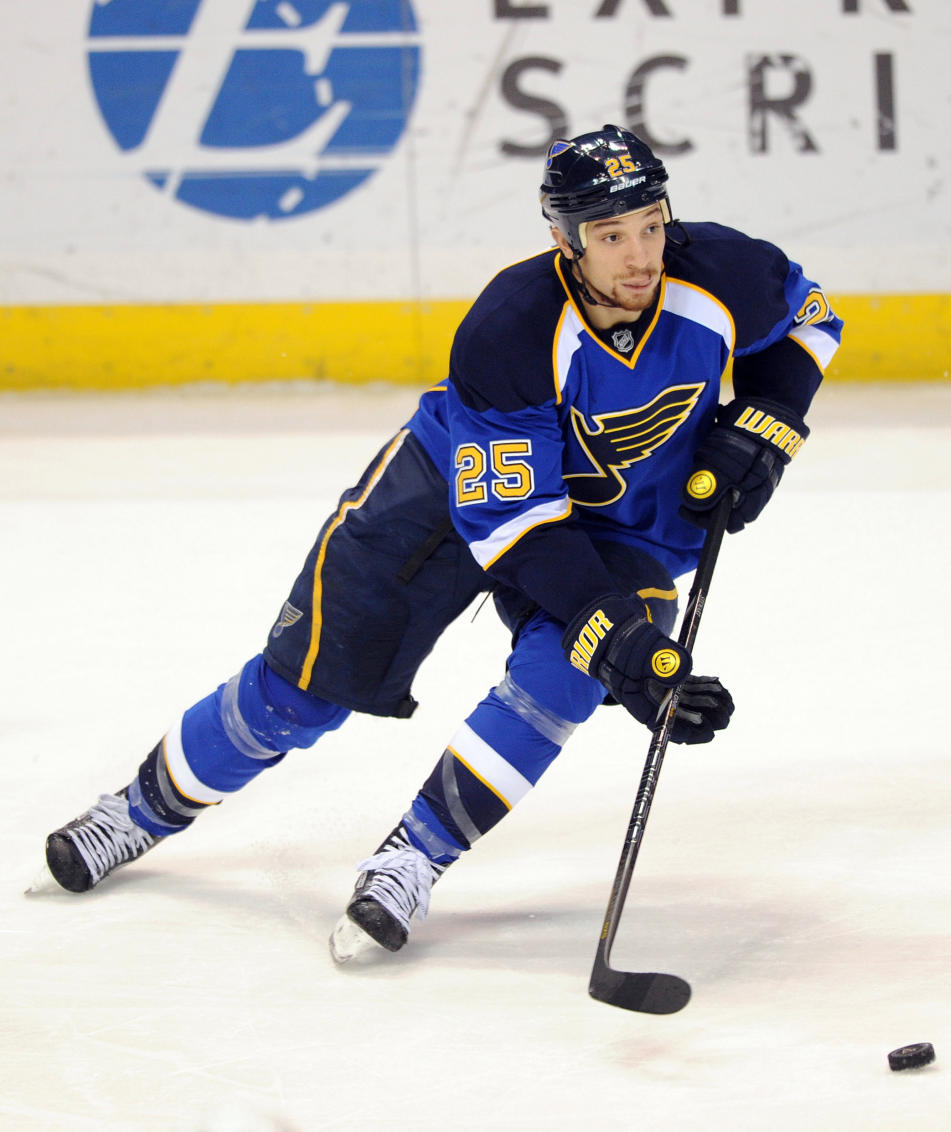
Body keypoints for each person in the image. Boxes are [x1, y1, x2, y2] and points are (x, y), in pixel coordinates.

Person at [40, 125, 842, 963]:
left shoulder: (720, 271)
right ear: (563, 238)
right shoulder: (511, 327)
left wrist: (768, 421)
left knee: (565, 675)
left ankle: (412, 857)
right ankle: (135, 813)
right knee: (304, 687)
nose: (640, 255)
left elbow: (812, 320)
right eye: (611, 235)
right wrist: (619, 634)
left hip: (615, 515)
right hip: (448, 494)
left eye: (649, 223)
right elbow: (517, 525)